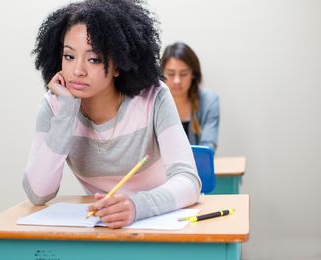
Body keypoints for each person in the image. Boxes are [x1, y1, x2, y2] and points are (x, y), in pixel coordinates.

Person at [23, 0, 201, 229]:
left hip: (160, 222)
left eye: (94, 59)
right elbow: (38, 193)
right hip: (105, 229)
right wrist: (67, 112)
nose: (77, 70)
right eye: (69, 56)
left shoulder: (153, 97)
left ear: (118, 64)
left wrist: (137, 206)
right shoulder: (54, 107)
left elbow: (189, 181)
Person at [161, 42, 220, 150]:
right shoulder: (154, 102)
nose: (177, 80)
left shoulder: (209, 101)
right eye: (170, 73)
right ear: (162, 73)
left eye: (183, 74)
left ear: (193, 74)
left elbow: (208, 147)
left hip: (198, 167)